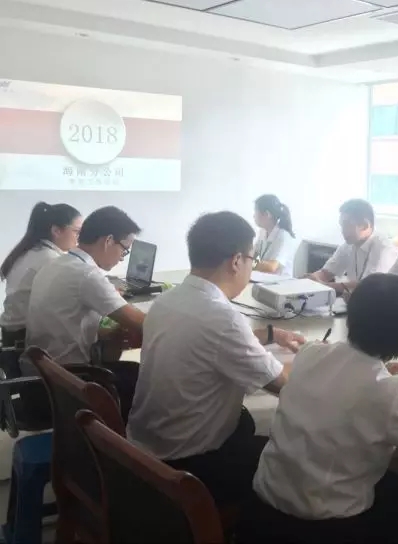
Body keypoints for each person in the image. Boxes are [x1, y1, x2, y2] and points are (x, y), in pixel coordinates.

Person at [241, 273, 398, 544]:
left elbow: (344, 383)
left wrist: (379, 373)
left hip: (261, 511)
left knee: (392, 483)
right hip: (320, 529)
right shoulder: (388, 392)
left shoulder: (311, 353)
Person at [127, 211, 304, 507]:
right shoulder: (222, 318)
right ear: (236, 261)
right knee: (292, 452)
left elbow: (207, 340)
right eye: (252, 260)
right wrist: (319, 359)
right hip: (190, 465)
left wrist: (269, 334)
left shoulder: (168, 300)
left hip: (146, 446)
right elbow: (283, 384)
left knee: (246, 420)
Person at [25, 206, 146, 419]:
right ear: (108, 241)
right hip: (69, 380)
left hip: (44, 374)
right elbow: (141, 322)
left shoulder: (58, 263)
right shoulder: (87, 274)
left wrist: (108, 334)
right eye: (124, 250)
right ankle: (122, 437)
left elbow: (67, 322)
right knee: (140, 378)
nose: (122, 258)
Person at [0, 202, 82, 349]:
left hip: (10, 334)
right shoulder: (51, 259)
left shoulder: (29, 251)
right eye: (77, 232)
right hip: (26, 339)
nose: (79, 238)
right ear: (56, 231)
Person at [307, 199, 398, 294]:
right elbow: (326, 273)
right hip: (356, 299)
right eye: (342, 226)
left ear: (365, 225)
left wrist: (324, 285)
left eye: (347, 225)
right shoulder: (349, 245)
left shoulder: (384, 249)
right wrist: (310, 279)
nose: (342, 231)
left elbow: (368, 286)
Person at [253, 194, 298, 277]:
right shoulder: (263, 232)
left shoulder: (283, 236)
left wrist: (249, 264)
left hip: (280, 282)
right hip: (263, 278)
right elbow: (254, 255)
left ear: (267, 214)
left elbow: (271, 267)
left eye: (256, 211)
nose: (254, 216)